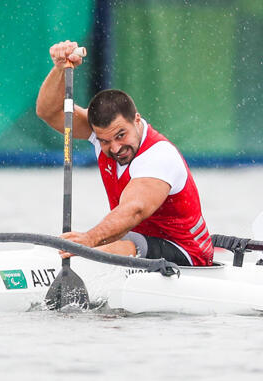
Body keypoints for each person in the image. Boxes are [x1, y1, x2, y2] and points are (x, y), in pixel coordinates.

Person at [35, 40, 213, 266]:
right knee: (121, 241)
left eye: (121, 135)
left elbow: (134, 210)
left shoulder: (159, 156)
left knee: (125, 242)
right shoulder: (104, 134)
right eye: (104, 141)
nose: (115, 148)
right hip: (137, 242)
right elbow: (48, 112)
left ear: (136, 120)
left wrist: (88, 240)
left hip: (189, 255)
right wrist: (60, 68)